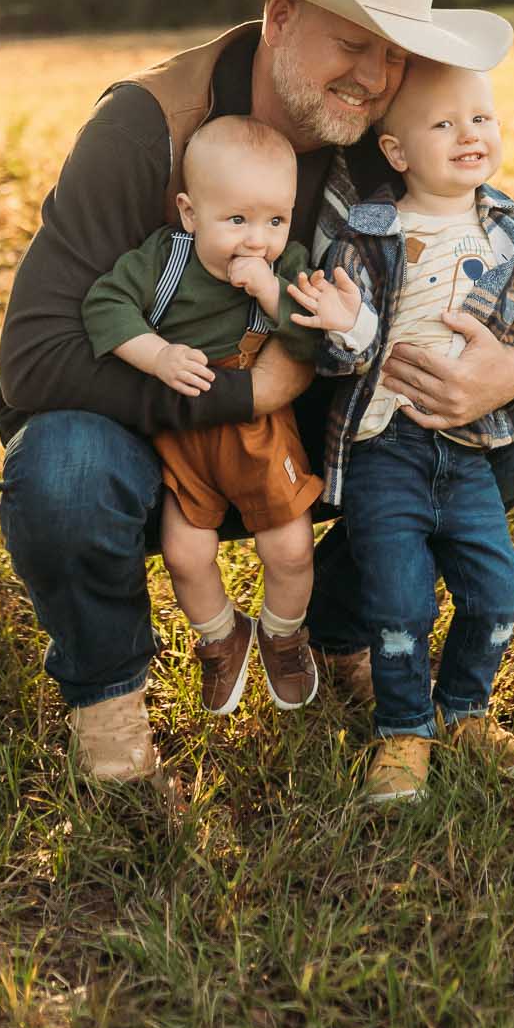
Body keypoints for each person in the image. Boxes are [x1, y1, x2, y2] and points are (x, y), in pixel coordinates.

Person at [0, 0, 514, 783]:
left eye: (394, 54)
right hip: (152, 434)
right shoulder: (143, 129)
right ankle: (108, 693)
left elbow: (484, 254)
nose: (374, 76)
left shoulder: (375, 134)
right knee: (59, 467)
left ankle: (342, 626)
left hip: (323, 423)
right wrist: (243, 392)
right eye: (352, 43)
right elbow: (30, 364)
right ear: (279, 14)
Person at [297, 59, 514, 805]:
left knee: (495, 595)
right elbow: (347, 352)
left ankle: (465, 711)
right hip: (385, 449)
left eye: (481, 119)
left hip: (465, 448)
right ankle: (402, 732)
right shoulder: (369, 236)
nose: (469, 135)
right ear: (396, 153)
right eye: (443, 124)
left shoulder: (502, 222)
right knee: (399, 604)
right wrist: (342, 324)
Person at [81, 116, 366, 716]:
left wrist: (270, 293)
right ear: (189, 213)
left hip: (261, 434)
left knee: (290, 548)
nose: (256, 239)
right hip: (184, 437)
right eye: (236, 220)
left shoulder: (287, 268)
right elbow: (104, 305)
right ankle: (220, 636)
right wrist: (156, 355)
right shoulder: (165, 262)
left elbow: (314, 346)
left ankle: (284, 634)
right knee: (186, 554)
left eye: (274, 220)